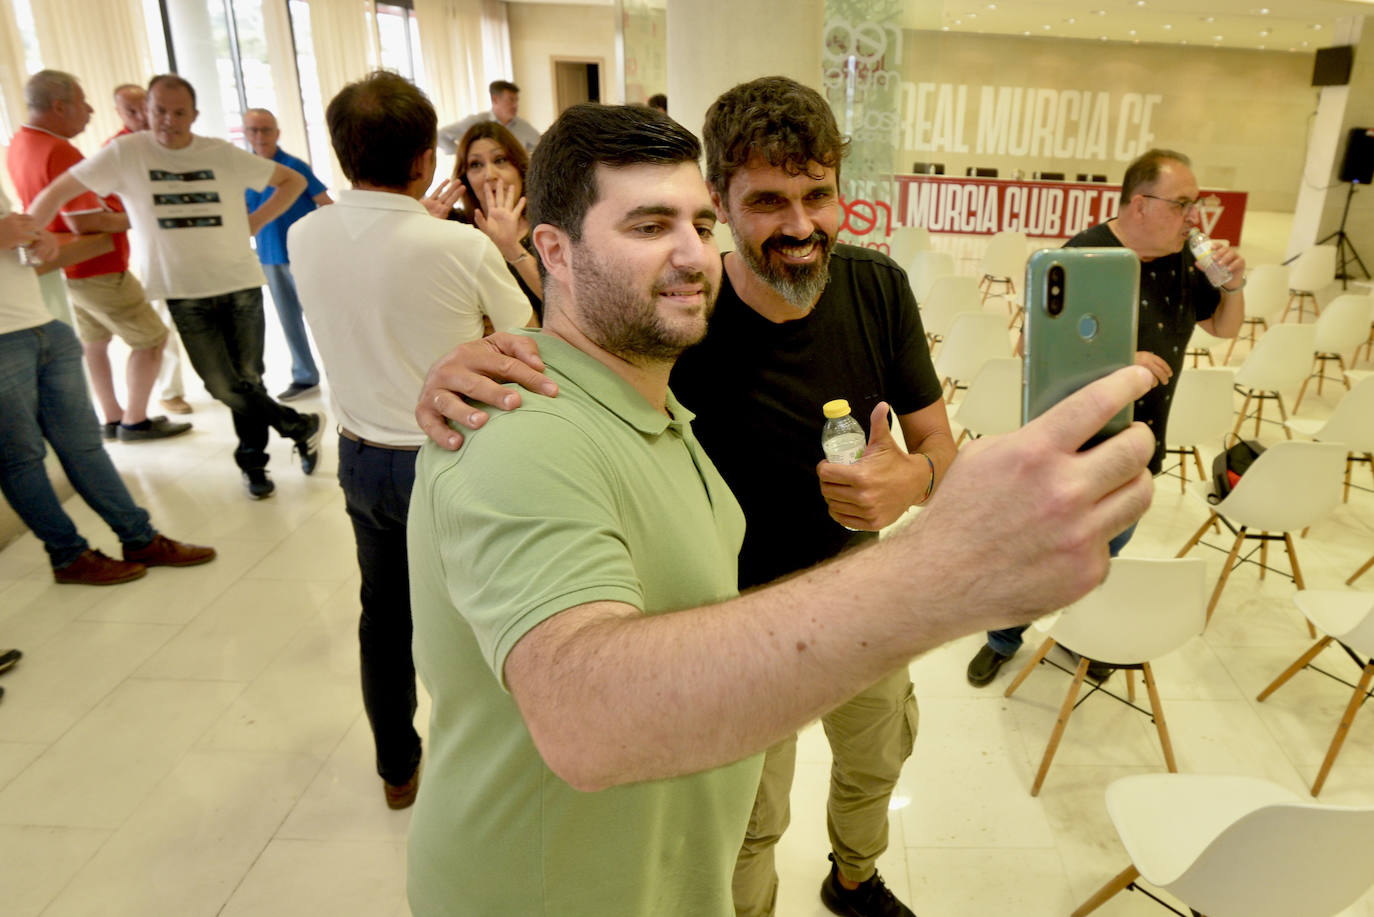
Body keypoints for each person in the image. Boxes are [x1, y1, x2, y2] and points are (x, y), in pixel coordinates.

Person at [404, 101, 1155, 916]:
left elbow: (930, 442)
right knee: (755, 828)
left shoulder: (663, 400)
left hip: (730, 734)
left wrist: (915, 481)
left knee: (869, 761)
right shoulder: (526, 420)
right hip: (656, 750)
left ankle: (854, 875)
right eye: (652, 225)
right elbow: (587, 714)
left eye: (694, 226)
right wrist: (945, 566)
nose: (691, 252)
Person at [288, 71, 531, 811]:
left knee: (384, 618)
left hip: (361, 457)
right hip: (453, 454)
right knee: (478, 614)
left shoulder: (303, 234)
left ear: (340, 153)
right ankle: (490, 767)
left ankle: (397, 766)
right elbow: (527, 337)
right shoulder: (458, 246)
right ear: (428, 158)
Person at [965, 147, 1246, 689]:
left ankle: (1080, 633)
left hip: (1139, 445)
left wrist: (1232, 287)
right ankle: (1003, 637)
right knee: (1042, 555)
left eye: (1196, 204)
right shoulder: (1082, 257)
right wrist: (1121, 363)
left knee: (1103, 554)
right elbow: (1031, 350)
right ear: (1140, 204)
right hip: (1072, 448)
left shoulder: (1185, 260)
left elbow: (1224, 328)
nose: (1195, 217)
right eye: (1183, 204)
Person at [26, 74, 324, 501]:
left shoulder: (220, 153)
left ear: (194, 115)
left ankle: (254, 465)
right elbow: (57, 192)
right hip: (184, 291)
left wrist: (255, 222)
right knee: (221, 385)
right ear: (146, 111)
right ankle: (299, 425)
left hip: (239, 283)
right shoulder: (126, 153)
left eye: (179, 112)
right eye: (160, 110)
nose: (168, 120)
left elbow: (292, 181)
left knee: (248, 380)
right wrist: (31, 233)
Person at [0, 191, 215, 585]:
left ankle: (140, 539)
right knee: (21, 459)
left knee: (84, 445)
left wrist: (39, 237)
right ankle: (68, 557)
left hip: (41, 325)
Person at [7, 70, 190, 443]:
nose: (90, 110)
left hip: (69, 270)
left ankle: (112, 416)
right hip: (97, 268)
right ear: (60, 106)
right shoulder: (61, 150)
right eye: (83, 102)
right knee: (152, 337)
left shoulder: (18, 143)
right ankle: (135, 421)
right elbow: (86, 220)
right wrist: (149, 214)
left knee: (95, 341)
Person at [108, 81, 193, 417]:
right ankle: (170, 391)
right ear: (118, 112)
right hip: (150, 251)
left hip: (186, 245)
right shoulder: (117, 150)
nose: (141, 115)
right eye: (131, 110)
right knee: (162, 323)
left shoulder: (167, 143)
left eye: (144, 107)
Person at [243, 107, 332, 401]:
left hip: (304, 257)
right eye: (253, 130)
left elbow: (326, 203)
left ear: (277, 133)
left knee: (322, 318)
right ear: (246, 134)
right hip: (269, 259)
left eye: (266, 130)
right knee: (288, 321)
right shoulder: (245, 173)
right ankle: (305, 376)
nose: (260, 136)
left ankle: (339, 373)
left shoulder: (294, 167)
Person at [422, 121, 542, 314]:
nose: (490, 175)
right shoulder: (456, 226)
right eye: (476, 165)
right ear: (466, 178)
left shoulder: (546, 225)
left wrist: (512, 248)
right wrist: (421, 228)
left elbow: (565, 303)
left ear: (520, 169)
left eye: (500, 160)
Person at [436, 79, 540, 155]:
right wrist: (463, 153)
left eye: (517, 100)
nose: (515, 105)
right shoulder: (476, 122)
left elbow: (540, 148)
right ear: (495, 100)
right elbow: (440, 136)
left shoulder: (524, 126)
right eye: (511, 100)